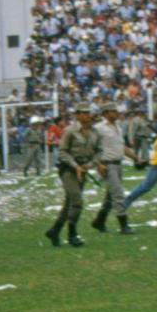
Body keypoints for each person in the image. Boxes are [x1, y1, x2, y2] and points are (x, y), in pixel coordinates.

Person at [45, 104, 99, 247]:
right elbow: (62, 152)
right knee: (77, 201)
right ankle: (72, 233)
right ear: (77, 115)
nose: (88, 115)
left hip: (83, 169)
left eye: (89, 113)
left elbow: (99, 151)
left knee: (69, 204)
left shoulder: (94, 132)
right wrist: (76, 166)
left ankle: (55, 230)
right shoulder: (69, 131)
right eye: (84, 113)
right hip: (68, 170)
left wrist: (90, 165)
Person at [91, 103, 141, 235]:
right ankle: (124, 225)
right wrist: (98, 164)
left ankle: (99, 220)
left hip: (118, 164)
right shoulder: (98, 128)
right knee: (118, 193)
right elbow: (91, 147)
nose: (116, 113)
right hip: (107, 164)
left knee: (110, 195)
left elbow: (122, 147)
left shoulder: (117, 127)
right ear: (105, 113)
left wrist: (135, 158)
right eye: (113, 111)